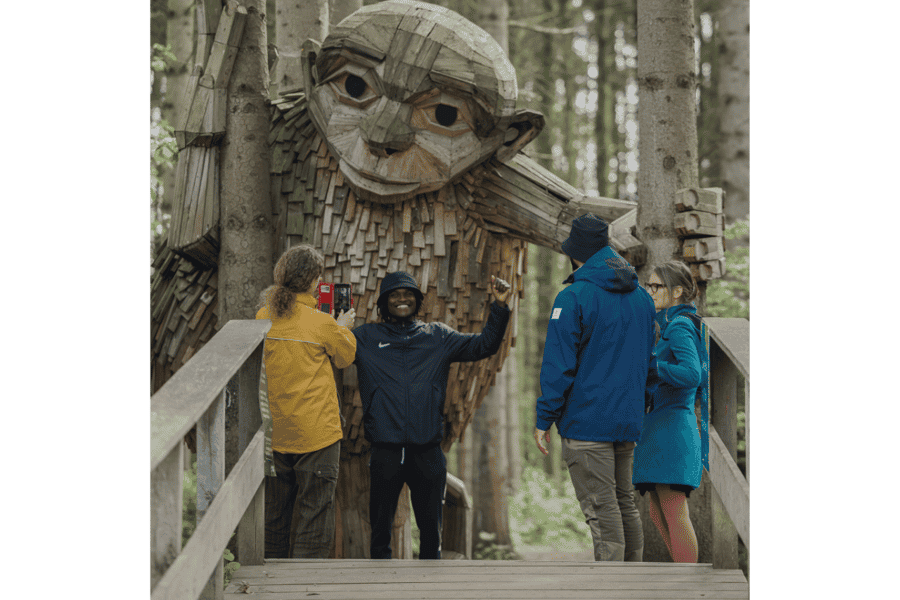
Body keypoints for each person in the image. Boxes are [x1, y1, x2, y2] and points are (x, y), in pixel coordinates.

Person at [352, 271, 512, 559]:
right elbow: (329, 350)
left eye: (408, 295)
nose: (402, 299)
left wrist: (499, 307)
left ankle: (431, 588)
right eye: (395, 295)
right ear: (383, 303)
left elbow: (484, 345)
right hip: (385, 452)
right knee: (379, 537)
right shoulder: (365, 338)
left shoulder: (437, 336)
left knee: (431, 536)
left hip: (427, 452)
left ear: (417, 302)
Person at [534, 213, 655, 562]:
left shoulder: (573, 297)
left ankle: (613, 590)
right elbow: (650, 363)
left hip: (587, 422)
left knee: (602, 511)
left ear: (575, 253)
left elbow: (558, 368)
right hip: (627, 421)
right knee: (623, 503)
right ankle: (632, 587)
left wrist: (544, 419)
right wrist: (640, 403)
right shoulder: (643, 299)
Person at [255, 245, 357, 558]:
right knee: (315, 514)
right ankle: (306, 583)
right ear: (314, 281)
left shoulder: (263, 316)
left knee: (275, 514)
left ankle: (270, 582)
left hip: (277, 433)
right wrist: (343, 328)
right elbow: (345, 357)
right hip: (318, 435)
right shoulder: (322, 324)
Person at [632, 260, 709, 564]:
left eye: (657, 286)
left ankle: (687, 586)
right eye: (648, 285)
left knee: (675, 511)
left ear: (677, 291)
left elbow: (692, 374)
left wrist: (653, 366)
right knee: (657, 510)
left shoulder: (678, 325)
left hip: (673, 427)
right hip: (659, 427)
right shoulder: (667, 324)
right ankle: (680, 576)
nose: (650, 291)